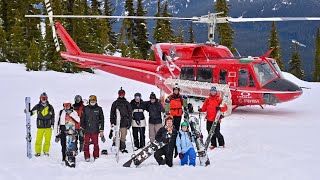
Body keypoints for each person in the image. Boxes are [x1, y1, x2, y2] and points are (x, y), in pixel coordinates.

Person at [27, 92, 55, 157]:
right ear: (40, 98)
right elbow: (32, 113)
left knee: (47, 140)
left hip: (48, 126)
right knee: (38, 140)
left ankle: (46, 151)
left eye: (44, 98)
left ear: (47, 99)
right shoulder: (38, 106)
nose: (43, 99)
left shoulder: (50, 107)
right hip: (40, 126)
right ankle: (38, 152)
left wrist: (53, 124)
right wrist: (28, 112)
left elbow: (53, 116)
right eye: (42, 98)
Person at [165, 84, 187, 157]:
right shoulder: (170, 97)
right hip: (171, 116)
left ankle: (177, 149)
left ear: (178, 91)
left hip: (178, 116)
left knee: (176, 131)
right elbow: (166, 105)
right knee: (171, 130)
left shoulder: (181, 98)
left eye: (177, 90)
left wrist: (186, 105)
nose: (176, 91)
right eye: (174, 90)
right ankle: (170, 147)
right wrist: (166, 110)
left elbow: (185, 105)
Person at [81, 95, 105, 161]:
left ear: (96, 101)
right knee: (86, 144)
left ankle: (96, 156)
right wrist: (82, 128)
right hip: (87, 130)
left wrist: (101, 129)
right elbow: (82, 119)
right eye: (91, 100)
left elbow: (102, 120)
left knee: (96, 144)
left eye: (94, 100)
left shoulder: (99, 109)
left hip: (95, 130)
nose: (92, 102)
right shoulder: (85, 108)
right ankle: (87, 156)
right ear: (89, 101)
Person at [110, 87, 132, 153]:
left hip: (124, 122)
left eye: (122, 94)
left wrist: (129, 123)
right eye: (120, 94)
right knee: (116, 135)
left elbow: (130, 113)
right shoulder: (115, 103)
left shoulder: (127, 103)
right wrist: (112, 122)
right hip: (116, 122)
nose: (121, 95)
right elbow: (112, 113)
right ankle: (114, 146)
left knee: (123, 135)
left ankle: (122, 147)